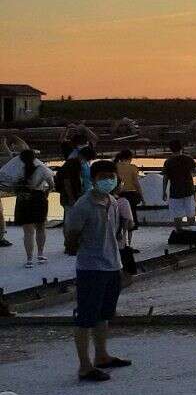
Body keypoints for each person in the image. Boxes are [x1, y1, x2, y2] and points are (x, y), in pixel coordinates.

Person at [63, 160, 133, 382]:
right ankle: (85, 366)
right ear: (92, 180)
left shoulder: (112, 201)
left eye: (111, 176)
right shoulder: (83, 205)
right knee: (85, 318)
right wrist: (78, 249)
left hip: (113, 265)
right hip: (92, 268)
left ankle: (102, 356)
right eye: (102, 177)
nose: (108, 181)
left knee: (104, 315)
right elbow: (71, 235)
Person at [5, 149, 53, 267]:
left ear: (21, 159)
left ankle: (29, 260)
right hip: (38, 198)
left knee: (28, 232)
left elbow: (12, 186)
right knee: (41, 227)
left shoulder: (17, 171)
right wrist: (46, 192)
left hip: (23, 200)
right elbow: (51, 184)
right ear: (34, 157)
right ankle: (40, 255)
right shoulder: (42, 169)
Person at [161, 140, 196, 230]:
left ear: (171, 149)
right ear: (181, 148)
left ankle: (179, 232)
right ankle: (192, 232)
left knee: (177, 214)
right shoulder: (188, 159)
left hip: (175, 192)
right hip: (188, 190)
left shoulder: (168, 162)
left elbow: (165, 178)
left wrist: (164, 192)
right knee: (190, 213)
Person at [113, 149, 142, 230]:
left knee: (118, 216)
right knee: (131, 217)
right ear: (130, 157)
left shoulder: (115, 166)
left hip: (117, 194)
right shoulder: (133, 168)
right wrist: (142, 197)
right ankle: (128, 240)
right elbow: (136, 184)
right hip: (131, 195)